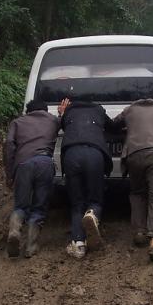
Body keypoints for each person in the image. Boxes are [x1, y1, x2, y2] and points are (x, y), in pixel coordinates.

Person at [113, 98, 153, 262]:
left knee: (138, 193)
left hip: (134, 155)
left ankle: (139, 232)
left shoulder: (130, 109)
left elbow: (113, 124)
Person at [3, 99, 60, 258]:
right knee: (39, 207)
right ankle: (31, 246)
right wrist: (61, 113)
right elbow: (64, 122)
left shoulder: (17, 122)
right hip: (45, 163)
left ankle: (15, 231)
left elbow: (9, 145)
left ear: (28, 111)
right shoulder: (53, 120)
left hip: (23, 164)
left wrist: (9, 174)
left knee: (21, 206)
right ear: (45, 110)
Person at [58, 97, 113, 259]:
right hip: (94, 154)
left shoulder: (69, 111)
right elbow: (113, 126)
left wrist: (62, 114)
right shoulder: (98, 110)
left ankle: (79, 244)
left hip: (71, 154)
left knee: (77, 203)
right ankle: (92, 214)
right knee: (95, 199)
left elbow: (63, 126)